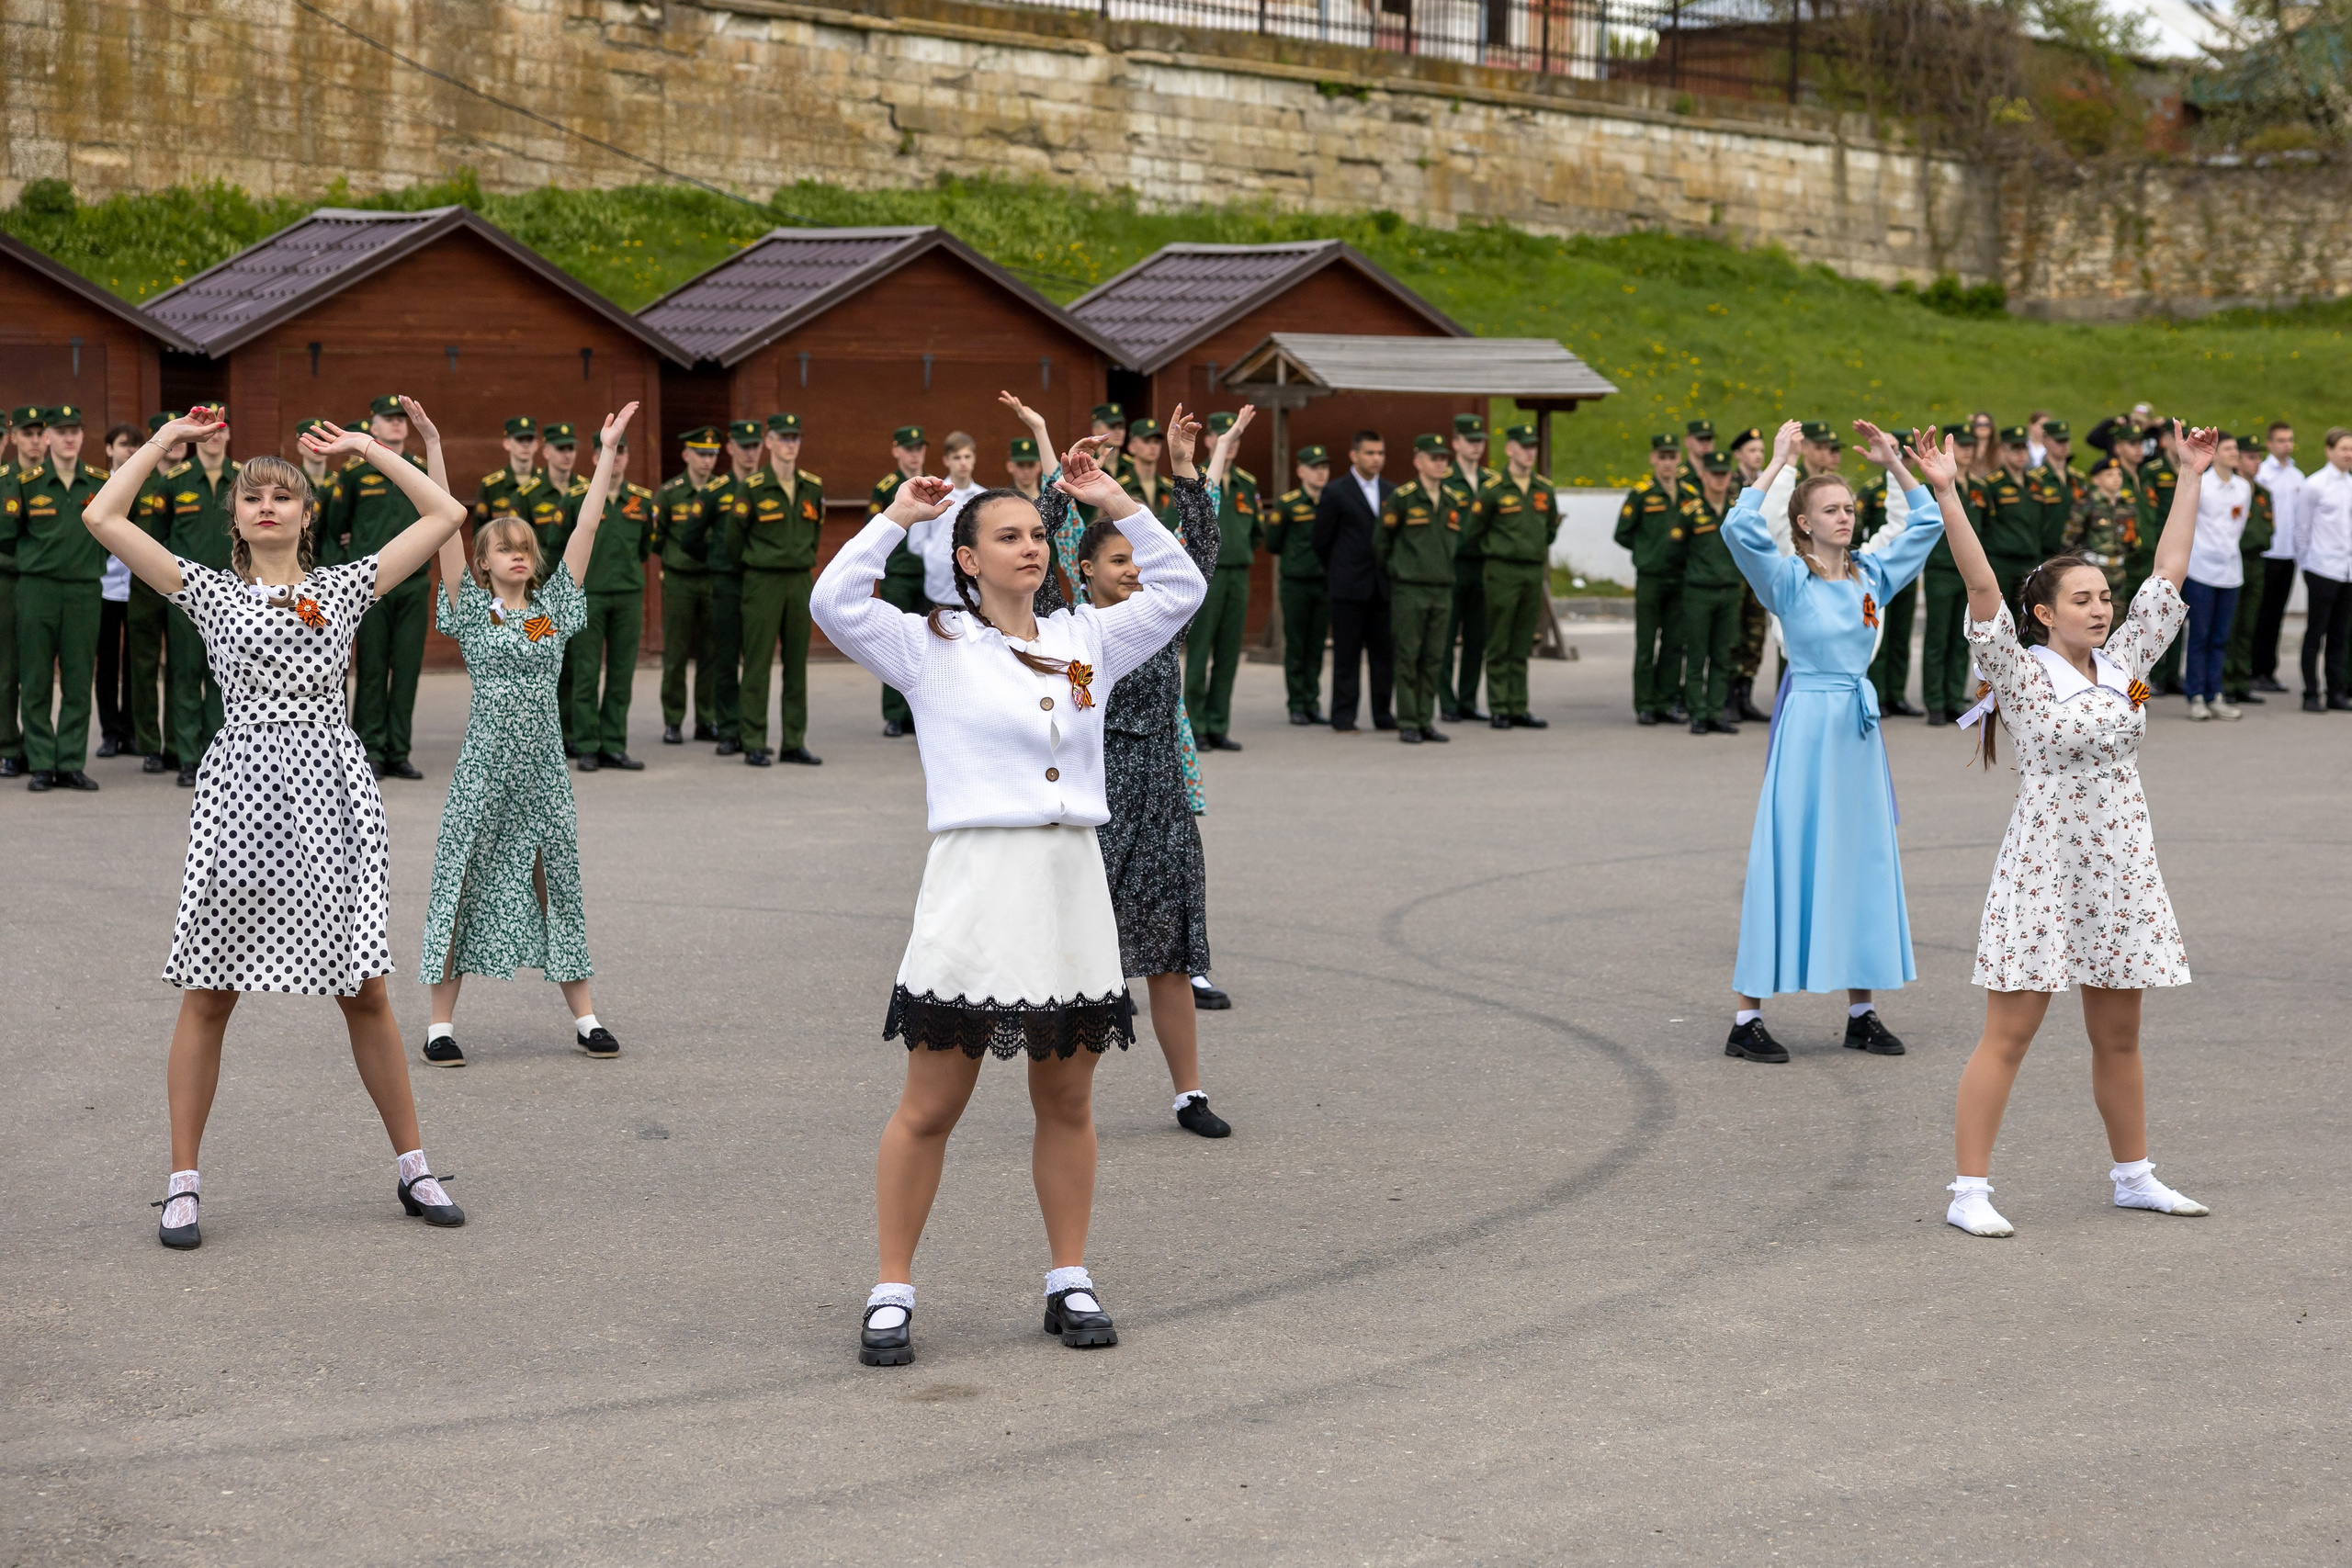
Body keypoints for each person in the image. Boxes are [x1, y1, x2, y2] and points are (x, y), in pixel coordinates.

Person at [808, 435, 1208, 1368]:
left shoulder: (1086, 640)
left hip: (1070, 882)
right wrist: (896, 516)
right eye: (1007, 536)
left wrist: (1116, 501)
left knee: (1067, 1097)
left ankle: (1068, 1277)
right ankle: (892, 1289)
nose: (1029, 548)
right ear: (966, 558)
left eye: (1037, 534)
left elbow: (1180, 590)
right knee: (932, 1102)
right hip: (977, 882)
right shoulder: (929, 643)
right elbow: (833, 602)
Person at [79, 400, 474, 1248]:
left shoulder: (344, 585)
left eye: (283, 495)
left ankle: (415, 1166)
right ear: (234, 516)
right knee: (211, 990)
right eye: (252, 495)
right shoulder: (207, 590)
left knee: (364, 987)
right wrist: (167, 442)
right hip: (241, 793)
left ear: (305, 513)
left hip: (332, 793)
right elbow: (102, 515)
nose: (266, 503)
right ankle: (182, 1184)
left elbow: (446, 515)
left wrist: (371, 447)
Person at [1939, 423, 2221, 1238]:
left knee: (2120, 1029)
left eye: (2104, 596)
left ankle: (2134, 1175)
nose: (2100, 608)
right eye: (2083, 599)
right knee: (2013, 1028)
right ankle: (1969, 1190)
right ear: (2044, 613)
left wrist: (2190, 475)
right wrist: (1951, 493)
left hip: (2123, 860)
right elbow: (1982, 591)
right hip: (2046, 862)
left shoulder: (2129, 658)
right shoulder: (2022, 674)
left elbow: (2167, 572)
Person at [1720, 421, 1940, 1066]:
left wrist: (1896, 464)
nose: (1845, 517)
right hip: (1808, 726)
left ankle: (1861, 1011)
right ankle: (1746, 1017)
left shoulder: (1872, 575)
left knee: (1862, 858)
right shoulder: (1788, 579)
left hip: (1857, 731)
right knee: (1788, 856)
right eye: (1831, 510)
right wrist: (1779, 462)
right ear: (1804, 522)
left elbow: (1926, 525)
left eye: (1849, 507)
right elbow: (1738, 529)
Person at [417, 400, 628, 1067]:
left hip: (541, 771)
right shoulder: (472, 612)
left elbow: (589, 524)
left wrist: (607, 453)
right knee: (462, 878)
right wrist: (433, 442)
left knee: (556, 881)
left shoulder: (553, 610)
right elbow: (443, 521)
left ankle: (587, 1017)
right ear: (482, 564)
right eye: (502, 549)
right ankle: (439, 1026)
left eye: (524, 550)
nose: (516, 556)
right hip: (483, 767)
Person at [1052, 407, 1235, 1138]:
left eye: (1137, 559)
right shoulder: (1063, 628)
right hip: (1095, 805)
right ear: (1086, 569)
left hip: (1162, 801)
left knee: (1171, 954)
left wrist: (1186, 471)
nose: (1132, 570)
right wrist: (1066, 491)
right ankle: (1067, 1097)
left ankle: (1188, 1094)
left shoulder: (1162, 618)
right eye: (1117, 560)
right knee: (1082, 953)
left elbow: (1199, 558)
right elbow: (1032, 564)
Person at [320, 395, 433, 780]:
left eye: (402, 418)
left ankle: (399, 750)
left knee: (405, 670)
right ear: (374, 426)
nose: (398, 424)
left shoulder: (420, 470)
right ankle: (370, 750)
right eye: (390, 418)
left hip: (414, 584)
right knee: (370, 668)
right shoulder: (354, 474)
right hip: (370, 586)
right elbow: (336, 526)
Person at [17, 403, 107, 792]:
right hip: (38, 589)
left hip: (85, 590)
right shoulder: (27, 483)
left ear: (83, 437)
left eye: (75, 431)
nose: (69, 438)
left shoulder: (100, 483)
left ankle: (69, 761)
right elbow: (9, 536)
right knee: (36, 678)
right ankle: (40, 762)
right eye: (61, 431)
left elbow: (120, 526)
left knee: (77, 676)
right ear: (47, 438)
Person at [737, 411, 826, 767]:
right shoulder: (753, 487)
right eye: (783, 438)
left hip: (799, 580)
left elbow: (815, 532)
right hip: (763, 580)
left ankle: (793, 740)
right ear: (769, 443)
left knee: (796, 663)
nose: (790, 445)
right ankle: (753, 740)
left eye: (795, 438)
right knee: (758, 662)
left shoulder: (812, 486)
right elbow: (735, 539)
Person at [567, 422, 655, 772]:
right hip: (589, 595)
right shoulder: (577, 499)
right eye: (610, 451)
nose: (616, 458)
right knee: (586, 672)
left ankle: (614, 744)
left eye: (622, 451)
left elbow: (646, 547)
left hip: (628, 596)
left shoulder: (643, 501)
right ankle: (587, 744)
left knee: (621, 674)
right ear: (595, 457)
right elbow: (562, 546)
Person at [158, 409, 238, 788]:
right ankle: (189, 757)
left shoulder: (244, 479)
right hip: (187, 596)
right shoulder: (174, 482)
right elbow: (156, 540)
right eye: (209, 429)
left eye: (222, 428)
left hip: (236, 596)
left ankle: (217, 754)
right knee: (186, 673)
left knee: (225, 677)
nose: (216, 436)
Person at [1376, 434, 1470, 746]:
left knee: (1435, 657)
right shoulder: (1403, 497)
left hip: (1442, 588)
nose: (1441, 463)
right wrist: (1399, 571)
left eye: (1444, 458)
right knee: (1408, 655)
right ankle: (1408, 720)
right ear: (1418, 461)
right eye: (1434, 458)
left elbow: (1460, 540)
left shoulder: (1452, 499)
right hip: (1410, 589)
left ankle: (1425, 718)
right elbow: (1381, 542)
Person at [1465, 422, 1557, 728]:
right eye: (1524, 446)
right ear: (1509, 449)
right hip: (1502, 570)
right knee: (1499, 640)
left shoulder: (1543, 489)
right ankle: (1499, 706)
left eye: (1533, 447)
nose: (1529, 453)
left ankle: (1519, 705)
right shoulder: (1493, 490)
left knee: (1522, 642)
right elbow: (1474, 531)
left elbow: (1550, 530)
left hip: (1532, 571)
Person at [1183, 409, 1261, 751]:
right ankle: (1195, 725)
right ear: (1210, 440)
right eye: (1222, 436)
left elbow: (1256, 532)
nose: (1230, 445)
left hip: (1237, 575)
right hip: (1206, 578)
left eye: (1236, 438)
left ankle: (1218, 724)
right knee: (1200, 653)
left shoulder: (1247, 483)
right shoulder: (1197, 481)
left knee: (1229, 655)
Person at [1313, 430, 1396, 734]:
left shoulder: (1392, 491)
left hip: (1382, 587)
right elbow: (1321, 540)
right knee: (1346, 655)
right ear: (1354, 455)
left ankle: (1383, 714)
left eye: (1380, 453)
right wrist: (1340, 570)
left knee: (1383, 655)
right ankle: (1343, 716)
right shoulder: (1336, 492)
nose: (1376, 459)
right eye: (1370, 453)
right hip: (1348, 588)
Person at [652, 424, 722, 746]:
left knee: (711, 653)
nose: (707, 461)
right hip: (679, 580)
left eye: (712, 454)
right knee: (676, 653)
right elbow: (656, 538)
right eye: (701, 454)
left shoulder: (723, 492)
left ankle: (706, 719)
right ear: (686, 455)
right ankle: (674, 720)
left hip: (712, 580)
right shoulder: (669, 493)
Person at [123, 412, 184, 773]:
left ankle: (178, 742)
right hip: (145, 586)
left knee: (182, 664)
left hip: (185, 587)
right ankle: (149, 744)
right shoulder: (139, 482)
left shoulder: (189, 481)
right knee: (144, 666)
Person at [703, 418, 763, 755]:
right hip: (726, 581)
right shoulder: (716, 492)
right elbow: (690, 537)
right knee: (725, 657)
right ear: (731, 448)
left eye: (755, 446)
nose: (750, 452)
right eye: (744, 446)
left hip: (759, 580)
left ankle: (752, 728)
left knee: (756, 659)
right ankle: (727, 728)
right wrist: (716, 560)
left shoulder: (764, 485)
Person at [2179, 433, 2250, 722]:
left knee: (2221, 637)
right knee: (2200, 636)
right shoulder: (2202, 484)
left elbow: (2238, 525)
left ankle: (2215, 694)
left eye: (2236, 449)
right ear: (2216, 453)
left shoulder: (2242, 487)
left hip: (2231, 572)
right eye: (2229, 448)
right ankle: (2196, 695)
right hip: (2201, 571)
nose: (2235, 453)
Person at [1618, 434, 1687, 726]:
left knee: (1674, 644)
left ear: (1679, 459)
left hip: (1680, 577)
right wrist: (1647, 553)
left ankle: (1666, 701)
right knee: (1646, 644)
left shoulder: (1688, 495)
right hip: (1650, 578)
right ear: (1653, 459)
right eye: (1662, 457)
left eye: (1672, 457)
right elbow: (1622, 532)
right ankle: (1645, 703)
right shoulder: (1642, 494)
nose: (1667, 463)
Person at [530, 422, 587, 757]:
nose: (567, 455)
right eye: (560, 448)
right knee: (544, 663)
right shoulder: (528, 496)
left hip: (573, 592)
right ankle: (545, 735)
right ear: (546, 451)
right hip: (539, 594)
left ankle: (573, 732)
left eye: (571, 448)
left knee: (579, 663)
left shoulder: (585, 492)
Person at [1858, 428, 1923, 716]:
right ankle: (1879, 693)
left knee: (1900, 635)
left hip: (1905, 570)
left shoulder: (1917, 489)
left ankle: (1897, 693)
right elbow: (1859, 529)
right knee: (1878, 630)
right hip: (1877, 567)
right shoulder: (1873, 489)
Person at [1264, 442, 1331, 725]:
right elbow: (1273, 543)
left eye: (1325, 467)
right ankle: (1296, 704)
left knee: (1317, 646)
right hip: (1296, 583)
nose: (1321, 474)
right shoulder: (1288, 504)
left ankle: (1312, 702)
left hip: (1325, 583)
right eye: (1315, 468)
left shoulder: (1332, 501)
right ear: (1301, 471)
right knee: (1296, 645)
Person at [1679, 451, 1744, 735]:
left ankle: (1716, 710)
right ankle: (1697, 712)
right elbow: (1675, 551)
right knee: (1696, 655)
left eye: (1724, 474)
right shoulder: (1691, 511)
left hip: (1729, 591)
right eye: (1714, 474)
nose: (1720, 479)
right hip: (1699, 592)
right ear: (1703, 476)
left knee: (1722, 654)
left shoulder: (1736, 511)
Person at [871, 423, 928, 738]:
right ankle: (894, 714)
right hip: (897, 575)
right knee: (895, 645)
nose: (915, 454)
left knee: (927, 647)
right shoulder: (886, 487)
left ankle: (916, 714)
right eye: (909, 448)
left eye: (920, 448)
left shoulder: (935, 485)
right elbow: (874, 530)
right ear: (896, 451)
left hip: (930, 576)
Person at [93, 423, 144, 759]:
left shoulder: (146, 486)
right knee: (108, 662)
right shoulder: (96, 486)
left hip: (139, 587)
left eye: (135, 446)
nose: (130, 451)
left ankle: (133, 730)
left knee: (136, 663)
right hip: (104, 586)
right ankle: (110, 732)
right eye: (124, 444)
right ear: (109, 449)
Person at [1442, 412, 1498, 723]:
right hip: (1454, 565)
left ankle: (1468, 700)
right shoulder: (1447, 479)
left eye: (1480, 441)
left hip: (1483, 565)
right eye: (1470, 441)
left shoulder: (1491, 481)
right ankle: (1447, 702)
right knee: (1447, 638)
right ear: (1456, 443)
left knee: (1477, 638)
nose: (1476, 447)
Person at [2294, 426, 2352, 712]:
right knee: (2315, 633)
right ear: (2329, 450)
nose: (2348, 454)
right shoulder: (2314, 485)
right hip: (2321, 568)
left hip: (2347, 570)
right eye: (2343, 448)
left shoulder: (2350, 484)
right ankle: (2310, 692)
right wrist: (2306, 565)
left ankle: (2335, 691)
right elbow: (2302, 530)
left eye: (2351, 449)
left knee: (2339, 635)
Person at [2245, 422, 2302, 695]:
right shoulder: (2263, 474)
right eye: (2280, 440)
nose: (2286, 445)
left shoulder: (2297, 475)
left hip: (2288, 554)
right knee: (2258, 614)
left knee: (2276, 615)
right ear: (2270, 444)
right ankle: (2252, 670)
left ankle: (2269, 670)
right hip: (2266, 553)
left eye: (2289, 439)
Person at [2221, 435, 2276, 707]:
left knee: (2248, 624)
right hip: (2235, 558)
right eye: (2251, 457)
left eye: (2258, 457)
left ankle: (2242, 680)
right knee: (2231, 624)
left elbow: (2268, 530)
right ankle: (2226, 681)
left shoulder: (2263, 494)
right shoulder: (2233, 489)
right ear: (2239, 460)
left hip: (2257, 562)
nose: (2257, 462)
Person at [910, 430, 983, 619]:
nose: (963, 462)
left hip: (974, 586)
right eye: (957, 457)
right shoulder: (933, 495)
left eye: (967, 456)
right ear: (946, 460)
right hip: (939, 585)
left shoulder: (983, 498)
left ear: (975, 458)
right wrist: (935, 556)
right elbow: (916, 543)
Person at [0, 406, 33, 779]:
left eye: (40, 434)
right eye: (28, 434)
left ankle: (36, 747)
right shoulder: (5, 480)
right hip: (8, 582)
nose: (35, 441)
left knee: (35, 671)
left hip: (39, 581)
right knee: (8, 670)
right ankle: (9, 746)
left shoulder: (43, 479)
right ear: (15, 438)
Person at [472, 416, 541, 526]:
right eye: (520, 439)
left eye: (530, 439)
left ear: (536, 445)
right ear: (507, 443)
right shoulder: (491, 486)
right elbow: (480, 532)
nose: (525, 444)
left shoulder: (545, 482)